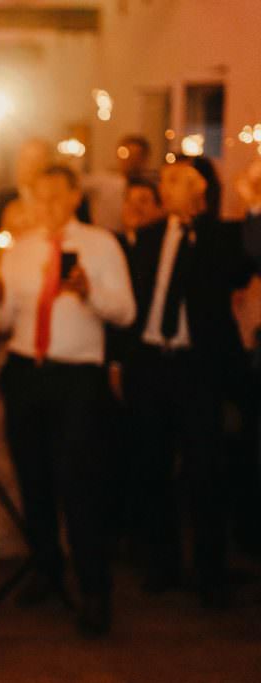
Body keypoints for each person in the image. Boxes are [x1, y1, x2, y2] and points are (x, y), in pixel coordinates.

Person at [0, 164, 135, 637]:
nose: (47, 205)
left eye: (55, 196)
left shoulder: (101, 244)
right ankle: (46, 567)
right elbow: (6, 318)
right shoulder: (19, 248)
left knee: (79, 483)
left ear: (74, 196)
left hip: (77, 375)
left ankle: (95, 589)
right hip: (24, 370)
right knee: (32, 476)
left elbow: (126, 311)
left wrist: (89, 291)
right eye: (40, 197)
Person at [114, 156, 257, 607]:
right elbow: (131, 299)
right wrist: (121, 360)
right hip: (152, 363)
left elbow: (253, 258)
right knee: (151, 466)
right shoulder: (150, 236)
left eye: (177, 180)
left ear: (201, 190)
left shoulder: (224, 236)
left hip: (199, 368)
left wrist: (254, 201)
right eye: (167, 179)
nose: (166, 187)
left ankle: (210, 573)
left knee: (204, 472)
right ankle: (163, 565)